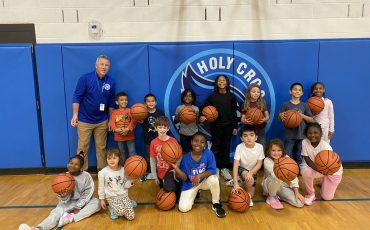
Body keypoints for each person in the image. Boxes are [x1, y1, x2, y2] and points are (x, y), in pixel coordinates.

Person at [19, 154, 100, 230]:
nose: (72, 165)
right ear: (67, 164)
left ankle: (69, 218)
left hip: (83, 202)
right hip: (68, 203)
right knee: (56, 213)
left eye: (76, 164)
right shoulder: (62, 178)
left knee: (96, 203)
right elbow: (63, 200)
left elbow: (88, 192)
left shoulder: (86, 176)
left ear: (81, 167)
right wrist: (64, 196)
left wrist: (78, 206)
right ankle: (38, 228)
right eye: (71, 163)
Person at [71, 55, 116, 171]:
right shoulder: (85, 78)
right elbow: (77, 97)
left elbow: (111, 102)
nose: (104, 67)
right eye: (102, 64)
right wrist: (75, 114)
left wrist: (111, 119)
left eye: (107, 65)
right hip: (84, 120)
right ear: (96, 65)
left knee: (101, 148)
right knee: (82, 148)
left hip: (102, 121)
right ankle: (82, 173)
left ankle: (102, 172)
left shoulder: (110, 81)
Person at [172, 132, 226, 218]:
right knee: (183, 208)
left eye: (202, 142)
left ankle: (216, 203)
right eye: (196, 141)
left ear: (205, 144)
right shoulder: (185, 158)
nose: (198, 144)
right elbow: (185, 178)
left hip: (204, 181)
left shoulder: (208, 153)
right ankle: (195, 193)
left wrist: (199, 175)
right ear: (191, 142)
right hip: (191, 184)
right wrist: (176, 168)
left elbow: (212, 170)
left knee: (214, 179)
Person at [199, 75, 237, 183]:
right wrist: (202, 115)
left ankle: (224, 168)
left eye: (223, 80)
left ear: (226, 82)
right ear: (216, 83)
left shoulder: (231, 96)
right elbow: (203, 108)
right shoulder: (212, 97)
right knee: (215, 147)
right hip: (216, 126)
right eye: (219, 80)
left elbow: (234, 112)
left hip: (228, 125)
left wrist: (234, 126)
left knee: (225, 147)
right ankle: (214, 168)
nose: (221, 82)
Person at [300, 122, 343, 206]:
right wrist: (320, 171)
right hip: (320, 169)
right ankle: (311, 194)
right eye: (310, 133)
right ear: (306, 134)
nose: (312, 135)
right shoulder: (304, 142)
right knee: (305, 171)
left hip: (333, 172)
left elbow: (330, 166)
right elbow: (307, 159)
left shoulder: (326, 147)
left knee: (327, 197)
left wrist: (323, 171)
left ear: (321, 134)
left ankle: (323, 181)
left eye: (316, 132)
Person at [262, 139, 304, 209]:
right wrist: (285, 175)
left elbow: (293, 176)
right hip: (269, 184)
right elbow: (274, 175)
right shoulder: (267, 160)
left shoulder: (286, 158)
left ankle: (279, 195)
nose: (276, 153)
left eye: (279, 150)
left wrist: (296, 192)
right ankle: (271, 196)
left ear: (282, 151)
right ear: (268, 151)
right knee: (275, 177)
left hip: (282, 186)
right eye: (273, 150)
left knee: (299, 203)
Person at [278, 82, 314, 164]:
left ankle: (298, 169)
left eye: (299, 90)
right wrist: (280, 115)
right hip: (289, 134)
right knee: (287, 154)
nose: (297, 91)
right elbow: (279, 118)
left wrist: (301, 115)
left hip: (301, 134)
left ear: (302, 93)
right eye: (295, 89)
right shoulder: (285, 104)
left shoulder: (304, 105)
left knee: (299, 154)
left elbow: (311, 119)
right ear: (290, 91)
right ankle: (287, 168)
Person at [98, 149, 136, 221]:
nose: (111, 160)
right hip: (112, 197)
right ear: (106, 159)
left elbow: (126, 185)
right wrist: (102, 199)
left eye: (114, 158)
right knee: (121, 212)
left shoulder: (124, 170)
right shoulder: (102, 172)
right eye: (109, 158)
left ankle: (128, 202)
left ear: (119, 158)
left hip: (124, 196)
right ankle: (111, 208)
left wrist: (132, 180)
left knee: (131, 217)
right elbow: (101, 187)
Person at [231, 125, 264, 207]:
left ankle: (241, 183)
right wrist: (235, 184)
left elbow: (259, 164)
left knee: (251, 192)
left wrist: (251, 172)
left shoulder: (260, 147)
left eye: (251, 135)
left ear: (256, 137)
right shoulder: (239, 147)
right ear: (241, 138)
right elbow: (235, 165)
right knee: (248, 178)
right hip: (241, 169)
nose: (248, 138)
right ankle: (237, 181)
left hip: (253, 170)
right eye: (245, 136)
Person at [149, 116, 180, 193]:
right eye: (160, 127)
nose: (162, 130)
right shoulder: (153, 142)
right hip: (160, 172)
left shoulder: (173, 141)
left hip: (170, 171)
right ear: (156, 128)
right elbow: (152, 160)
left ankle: (178, 186)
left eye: (164, 127)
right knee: (164, 192)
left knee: (170, 191)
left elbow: (179, 157)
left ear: (168, 128)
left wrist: (176, 169)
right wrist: (154, 176)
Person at [140, 93, 164, 181]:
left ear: (156, 102)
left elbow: (164, 125)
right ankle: (151, 172)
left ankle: (160, 172)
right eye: (148, 101)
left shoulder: (160, 112)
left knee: (160, 156)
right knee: (149, 157)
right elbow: (145, 129)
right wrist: (142, 123)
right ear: (145, 103)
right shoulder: (143, 113)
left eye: (152, 101)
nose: (151, 103)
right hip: (149, 140)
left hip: (160, 139)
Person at [110, 92, 136, 163]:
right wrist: (116, 129)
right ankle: (123, 167)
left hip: (129, 136)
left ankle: (133, 167)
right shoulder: (114, 112)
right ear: (117, 102)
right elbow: (112, 122)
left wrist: (128, 129)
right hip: (119, 136)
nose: (124, 101)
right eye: (121, 100)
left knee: (132, 152)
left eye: (126, 100)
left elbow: (134, 121)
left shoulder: (129, 111)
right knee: (122, 153)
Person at [241, 83, 270, 148]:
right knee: (249, 146)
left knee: (262, 145)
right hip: (249, 128)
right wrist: (245, 121)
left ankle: (261, 158)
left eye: (258, 92)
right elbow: (242, 119)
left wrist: (264, 120)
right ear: (249, 93)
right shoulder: (245, 104)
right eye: (253, 92)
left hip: (260, 128)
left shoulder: (262, 103)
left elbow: (267, 116)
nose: (256, 93)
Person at [174, 89, 199, 154]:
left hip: (194, 133)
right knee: (184, 151)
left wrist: (195, 117)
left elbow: (198, 122)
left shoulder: (196, 109)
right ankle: (185, 164)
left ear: (193, 98)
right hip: (183, 134)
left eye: (190, 96)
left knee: (194, 151)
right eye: (186, 96)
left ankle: (194, 164)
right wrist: (180, 115)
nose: (187, 97)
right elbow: (175, 121)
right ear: (183, 98)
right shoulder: (179, 108)